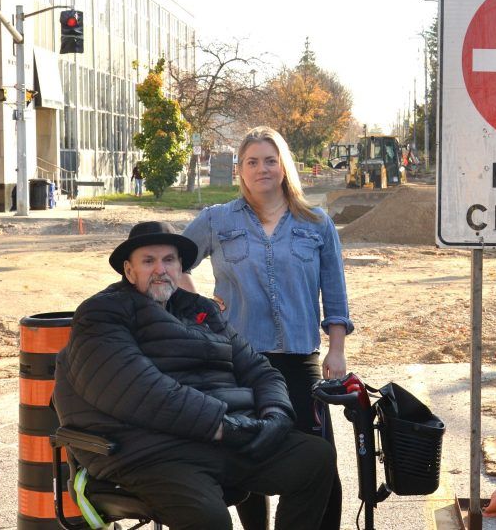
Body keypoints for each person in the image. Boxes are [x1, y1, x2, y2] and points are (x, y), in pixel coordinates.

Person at [52, 221, 336, 530]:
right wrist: (222, 426)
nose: (160, 269)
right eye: (148, 261)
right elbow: (140, 391)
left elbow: (258, 369)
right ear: (129, 270)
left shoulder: (201, 310)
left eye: (169, 260)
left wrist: (277, 414)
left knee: (314, 458)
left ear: (181, 269)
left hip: (222, 440)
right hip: (152, 452)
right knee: (210, 521)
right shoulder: (102, 314)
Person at [182, 126, 352, 530]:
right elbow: (174, 262)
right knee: (249, 459)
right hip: (239, 361)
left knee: (319, 459)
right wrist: (200, 305)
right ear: (240, 170)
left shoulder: (316, 223)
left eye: (270, 160)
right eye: (252, 162)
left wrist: (337, 349)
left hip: (299, 358)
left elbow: (335, 292)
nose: (262, 169)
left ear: (284, 166)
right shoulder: (216, 220)